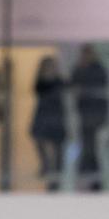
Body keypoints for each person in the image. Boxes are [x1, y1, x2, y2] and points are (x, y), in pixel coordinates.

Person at [71, 45, 108, 188]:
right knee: (87, 145)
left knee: (92, 146)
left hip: (96, 114)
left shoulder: (99, 69)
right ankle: (87, 176)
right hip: (84, 113)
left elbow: (99, 85)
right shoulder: (78, 69)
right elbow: (73, 86)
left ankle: (93, 178)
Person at [31, 57, 67, 189]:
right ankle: (46, 165)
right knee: (39, 139)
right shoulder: (40, 82)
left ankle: (56, 176)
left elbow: (66, 90)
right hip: (43, 115)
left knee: (58, 148)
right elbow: (38, 89)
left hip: (56, 117)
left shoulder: (60, 81)